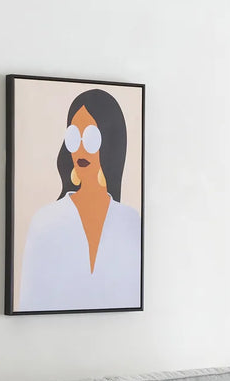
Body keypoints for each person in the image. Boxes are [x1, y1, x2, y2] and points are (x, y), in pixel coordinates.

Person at [19, 89, 141, 311]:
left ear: (110, 143)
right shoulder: (45, 222)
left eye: (91, 138)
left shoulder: (132, 222)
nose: (81, 149)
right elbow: (29, 303)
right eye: (74, 137)